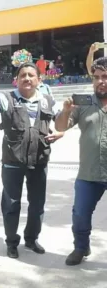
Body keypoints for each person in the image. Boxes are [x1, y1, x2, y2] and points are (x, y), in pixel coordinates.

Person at [0, 62, 64, 259]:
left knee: (37, 203)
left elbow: (62, 121)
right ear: (16, 80)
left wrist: (60, 132)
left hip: (39, 159)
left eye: (31, 75)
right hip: (12, 161)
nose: (26, 78)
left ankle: (32, 239)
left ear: (39, 80)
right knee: (11, 203)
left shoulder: (48, 101)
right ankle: (11, 242)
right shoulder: (7, 98)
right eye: (22, 75)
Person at [55, 57, 107, 266]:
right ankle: (80, 247)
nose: (100, 81)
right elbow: (60, 127)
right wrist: (66, 110)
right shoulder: (83, 103)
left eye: (105, 77)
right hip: (89, 172)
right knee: (80, 214)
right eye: (96, 78)